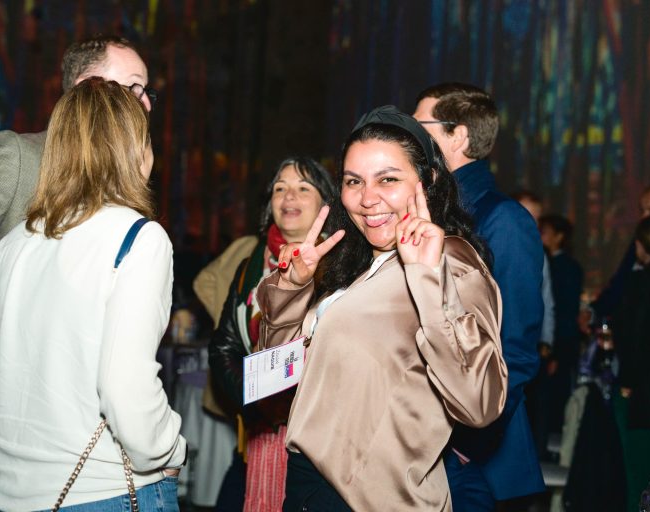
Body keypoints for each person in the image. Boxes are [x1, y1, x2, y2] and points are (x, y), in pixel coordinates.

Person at [0, 35, 157, 512]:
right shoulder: (22, 157)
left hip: (65, 409)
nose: (145, 102)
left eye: (147, 92)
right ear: (88, 86)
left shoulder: (126, 179)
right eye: (135, 87)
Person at [256, 105, 506, 510]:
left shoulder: (449, 259)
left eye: (387, 179)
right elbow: (276, 373)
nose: (368, 198)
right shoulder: (357, 264)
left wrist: (428, 279)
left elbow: (480, 403)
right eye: (354, 181)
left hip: (369, 499)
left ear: (429, 182)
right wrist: (293, 287)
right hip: (309, 485)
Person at [414, 83, 545, 509]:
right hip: (422, 446)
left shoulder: (503, 219)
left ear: (459, 136)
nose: (408, 135)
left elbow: (517, 351)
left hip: (471, 460)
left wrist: (468, 441)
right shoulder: (428, 210)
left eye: (420, 126)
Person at [206, 156, 336, 511]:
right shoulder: (252, 263)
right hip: (257, 432)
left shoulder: (344, 265)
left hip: (316, 441)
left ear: (325, 203)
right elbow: (224, 344)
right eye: (280, 188)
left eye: (302, 188)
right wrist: (258, 396)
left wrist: (290, 404)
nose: (288, 197)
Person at [614, 213, 650, 509]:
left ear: (640, 246)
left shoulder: (642, 284)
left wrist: (626, 383)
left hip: (645, 399)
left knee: (641, 484)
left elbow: (635, 340)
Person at [513, 190, 557, 460]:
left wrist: (546, 342)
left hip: (528, 352)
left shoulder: (540, 254)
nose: (532, 222)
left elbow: (547, 301)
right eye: (526, 214)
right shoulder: (492, 243)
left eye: (537, 219)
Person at [591, 181, 650, 321]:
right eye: (642, 211)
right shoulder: (639, 244)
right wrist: (592, 313)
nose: (644, 217)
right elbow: (619, 286)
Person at [538, 214, 584, 437]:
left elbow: (562, 309)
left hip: (562, 339)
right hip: (559, 338)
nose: (540, 236)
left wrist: (553, 348)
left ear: (559, 237)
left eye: (544, 232)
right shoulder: (555, 263)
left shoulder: (565, 267)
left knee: (553, 394)